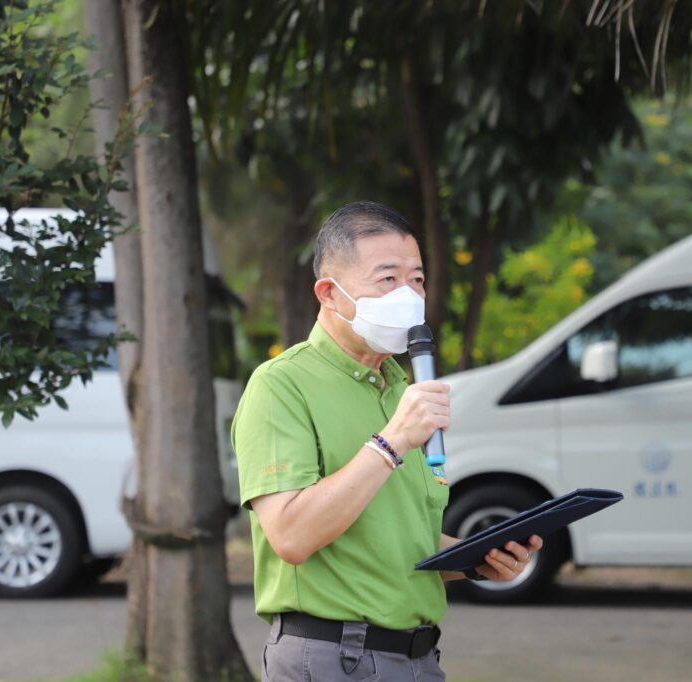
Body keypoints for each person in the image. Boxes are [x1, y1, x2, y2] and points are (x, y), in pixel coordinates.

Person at [232, 201, 544, 681]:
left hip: (419, 658)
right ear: (329, 293)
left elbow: (398, 540)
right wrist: (392, 440)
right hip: (334, 657)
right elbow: (291, 536)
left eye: (417, 279)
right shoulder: (280, 385)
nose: (408, 295)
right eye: (387, 279)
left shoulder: (402, 389)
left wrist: (477, 558)